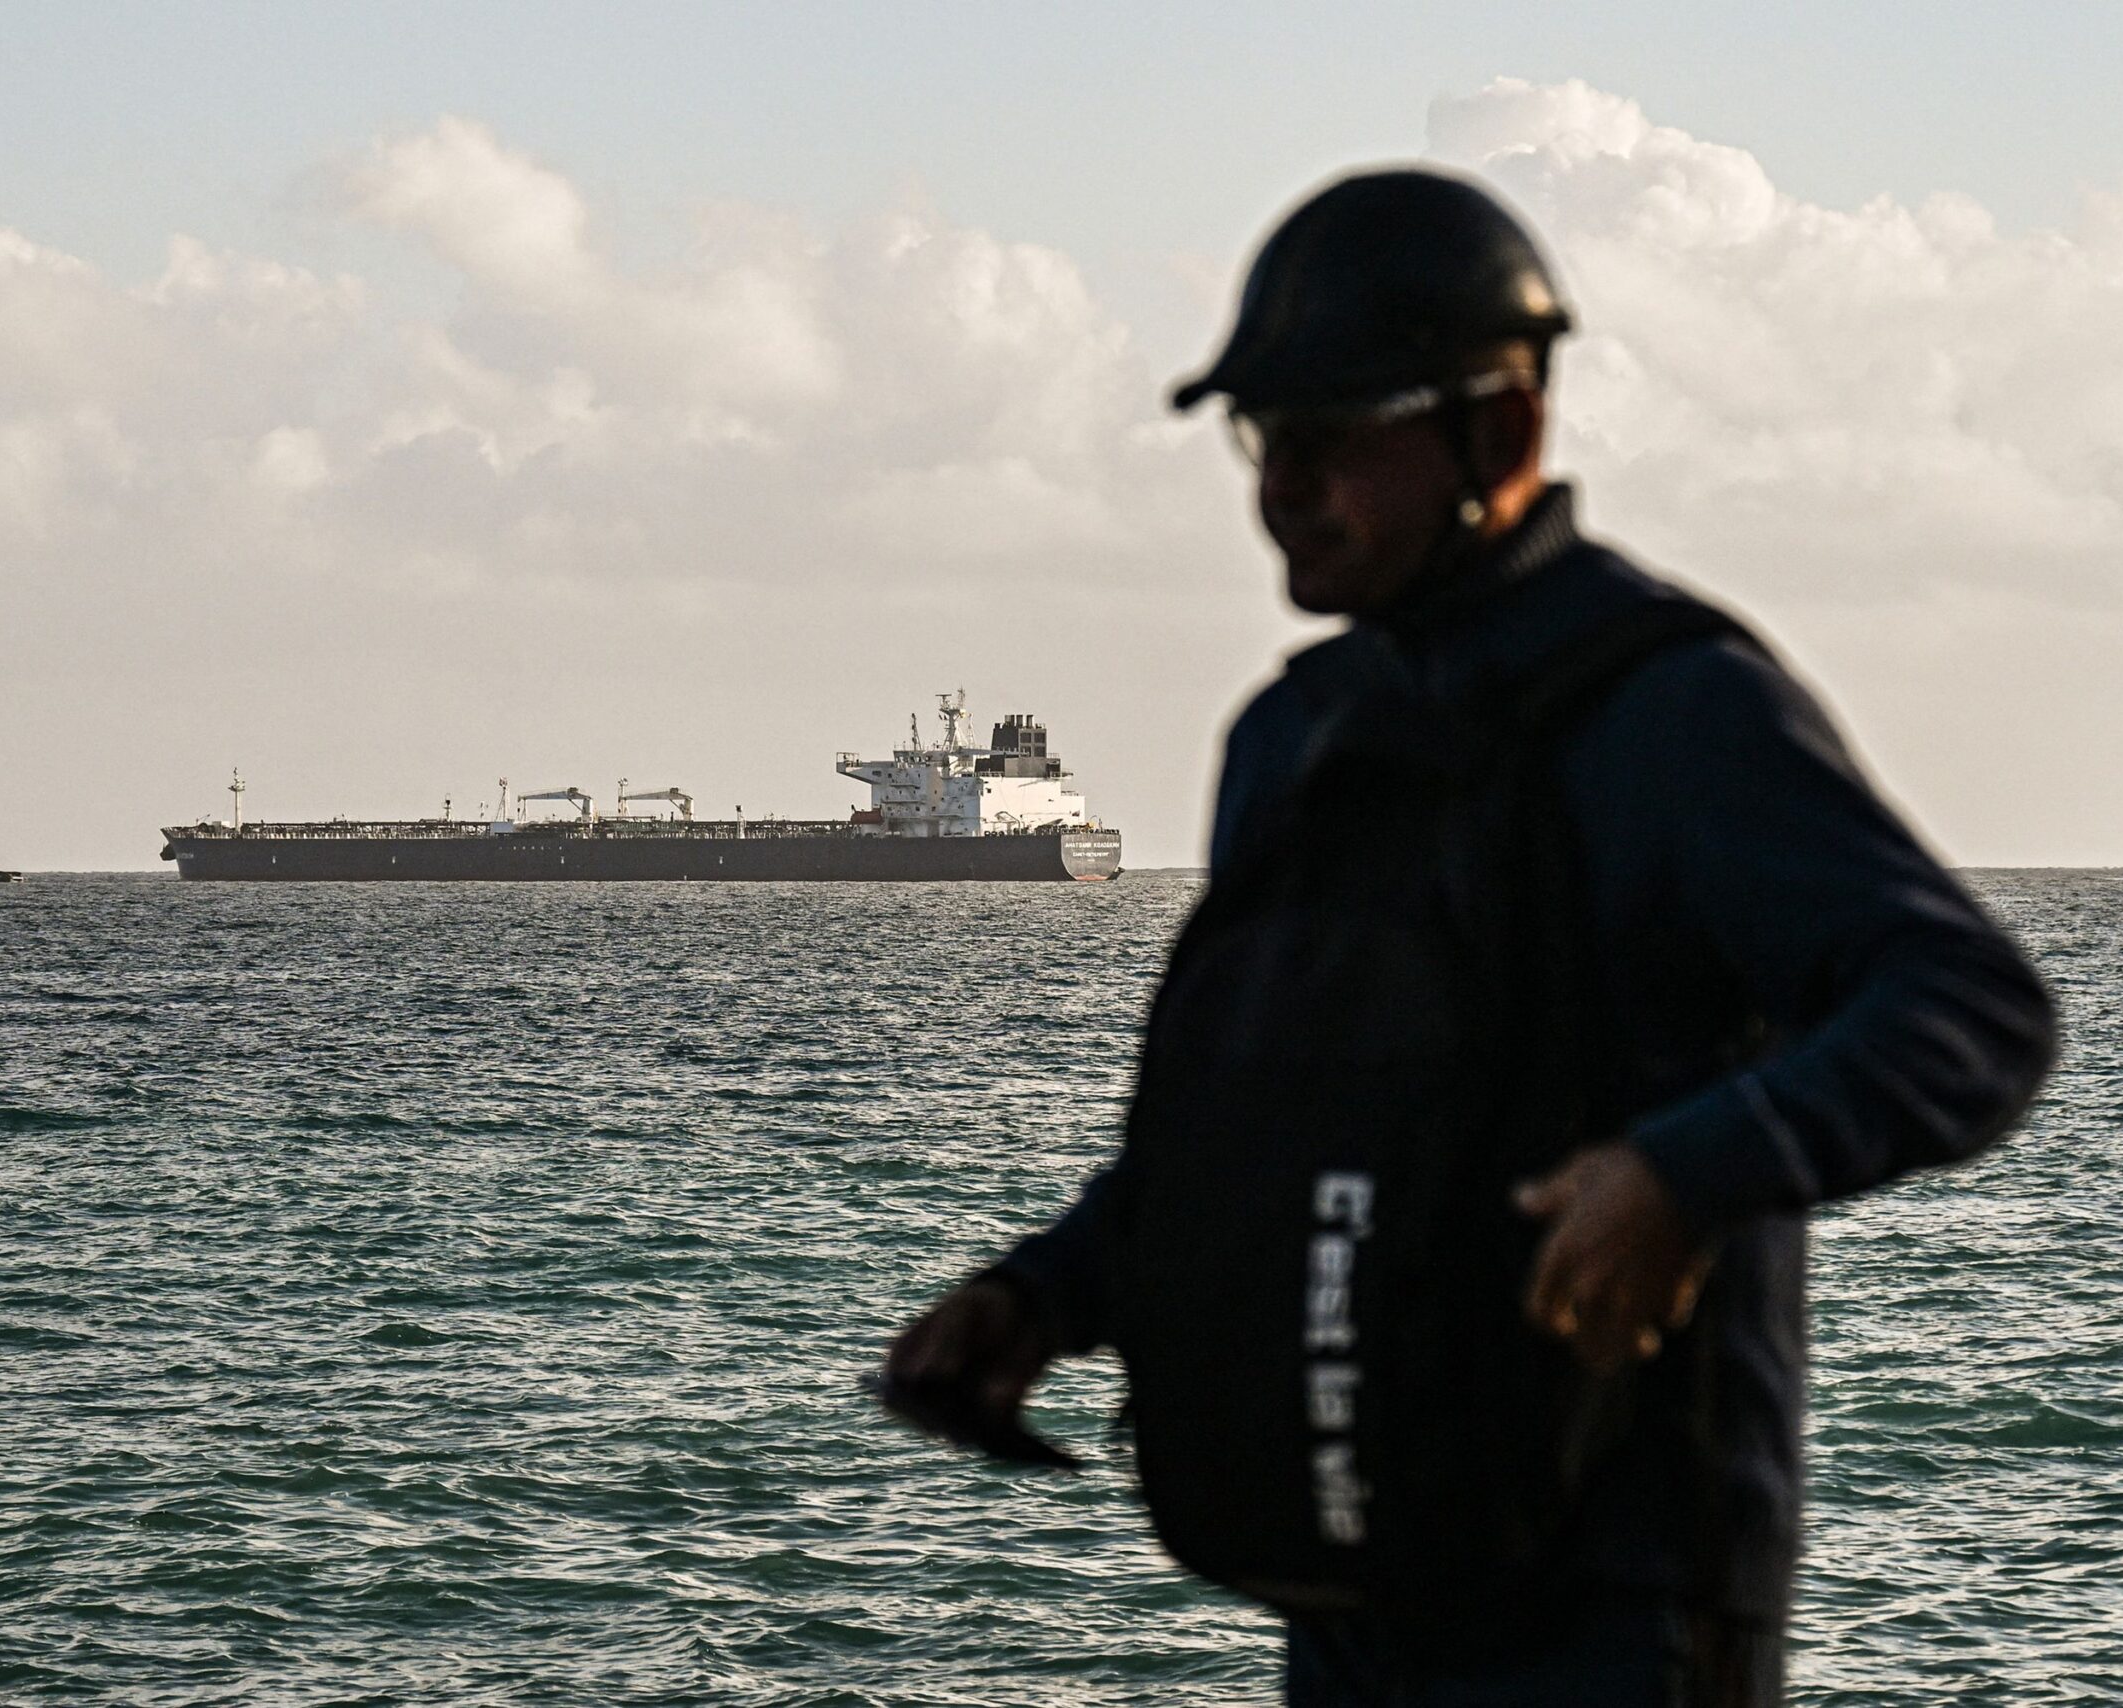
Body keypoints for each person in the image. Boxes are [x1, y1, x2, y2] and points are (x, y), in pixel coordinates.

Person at [880, 167, 2057, 1706]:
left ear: (1498, 431)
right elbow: (1257, 1140)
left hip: (1621, 1623)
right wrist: (1041, 1296)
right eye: (1260, 438)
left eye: (1325, 437)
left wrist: (1684, 1174)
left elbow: (1970, 1011)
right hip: (1357, 1600)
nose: (1278, 485)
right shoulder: (1293, 742)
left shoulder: (1676, 709)